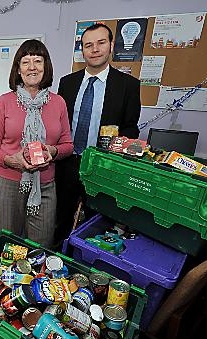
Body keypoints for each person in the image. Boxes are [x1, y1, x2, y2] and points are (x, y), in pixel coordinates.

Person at [54, 23, 141, 246]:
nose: (94, 49)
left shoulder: (128, 85)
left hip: (103, 167)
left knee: (98, 221)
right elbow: (58, 123)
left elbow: (131, 127)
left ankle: (89, 262)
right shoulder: (67, 83)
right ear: (82, 50)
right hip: (68, 163)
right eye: (88, 45)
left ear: (111, 45)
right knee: (61, 217)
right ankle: (58, 258)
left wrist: (117, 147)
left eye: (101, 43)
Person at [0, 39, 74, 249]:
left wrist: (53, 150)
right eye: (25, 62)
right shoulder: (4, 102)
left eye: (38, 61)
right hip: (8, 184)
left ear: (46, 66)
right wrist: (9, 160)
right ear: (18, 69)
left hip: (45, 184)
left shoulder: (58, 102)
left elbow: (68, 144)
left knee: (41, 246)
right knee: (8, 244)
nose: (32, 67)